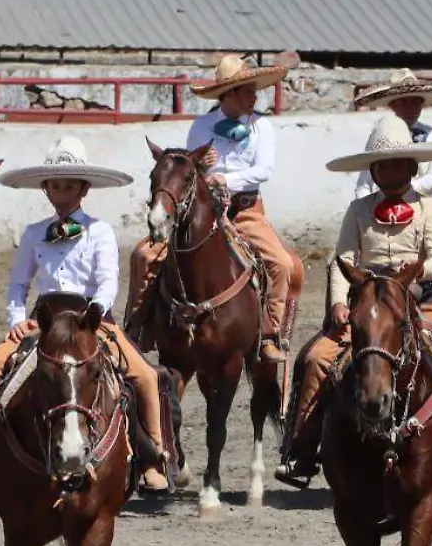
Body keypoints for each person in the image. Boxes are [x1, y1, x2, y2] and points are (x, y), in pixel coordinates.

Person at [275, 116, 432, 488]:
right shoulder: (358, 210)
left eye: (397, 164)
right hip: (367, 304)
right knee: (313, 358)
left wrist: (416, 272)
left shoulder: (430, 208)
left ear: (411, 167)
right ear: (374, 171)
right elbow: (342, 260)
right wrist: (336, 305)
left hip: (422, 302)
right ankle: (300, 450)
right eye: (382, 166)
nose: (390, 172)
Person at [0, 138, 171, 493]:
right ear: (45, 189)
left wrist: (95, 316)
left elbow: (108, 281)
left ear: (83, 189)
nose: (61, 192)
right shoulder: (34, 233)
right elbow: (19, 284)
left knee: (144, 374)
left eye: (69, 185)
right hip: (45, 322)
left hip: (90, 320)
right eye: (55, 185)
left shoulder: (100, 231)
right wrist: (17, 320)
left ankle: (153, 458)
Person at [127, 55, 305, 363]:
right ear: (230, 93)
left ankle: (270, 334)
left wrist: (226, 177)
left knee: (281, 264)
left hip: (246, 211)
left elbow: (264, 170)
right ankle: (138, 325)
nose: (255, 96)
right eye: (248, 91)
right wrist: (205, 172)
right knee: (144, 255)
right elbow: (190, 172)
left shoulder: (262, 126)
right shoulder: (202, 126)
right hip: (204, 211)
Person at [349, 69, 432, 198]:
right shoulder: (379, 136)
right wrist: (369, 205)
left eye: (415, 102)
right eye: (403, 102)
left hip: (421, 202)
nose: (410, 108)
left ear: (421, 105)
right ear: (392, 106)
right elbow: (364, 184)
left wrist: (399, 191)